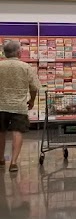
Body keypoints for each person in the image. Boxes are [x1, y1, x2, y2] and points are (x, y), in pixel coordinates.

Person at [0, 40, 40, 173]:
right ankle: (13, 162)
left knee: (1, 132)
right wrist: (32, 100)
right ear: (18, 52)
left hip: (1, 105)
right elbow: (34, 87)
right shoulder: (26, 67)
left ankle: (1, 159)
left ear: (5, 53)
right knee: (17, 132)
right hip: (19, 106)